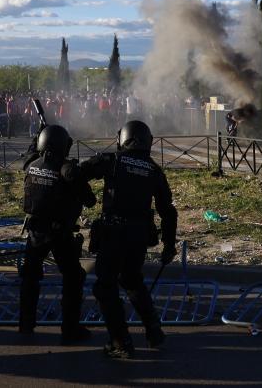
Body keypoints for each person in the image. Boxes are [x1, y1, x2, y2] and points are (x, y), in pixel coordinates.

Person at [62, 120, 177, 359]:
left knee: (105, 287)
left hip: (113, 234)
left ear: (123, 138)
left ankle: (120, 341)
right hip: (139, 236)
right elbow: (168, 211)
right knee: (132, 280)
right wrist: (169, 245)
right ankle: (154, 329)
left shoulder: (112, 160)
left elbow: (77, 173)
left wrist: (67, 171)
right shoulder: (154, 170)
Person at [19, 125, 95, 343]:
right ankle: (70, 329)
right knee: (73, 278)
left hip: (35, 231)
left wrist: (38, 135)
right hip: (60, 234)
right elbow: (90, 200)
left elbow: (30, 152)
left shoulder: (31, 164)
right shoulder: (67, 170)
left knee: (30, 278)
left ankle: (26, 324)